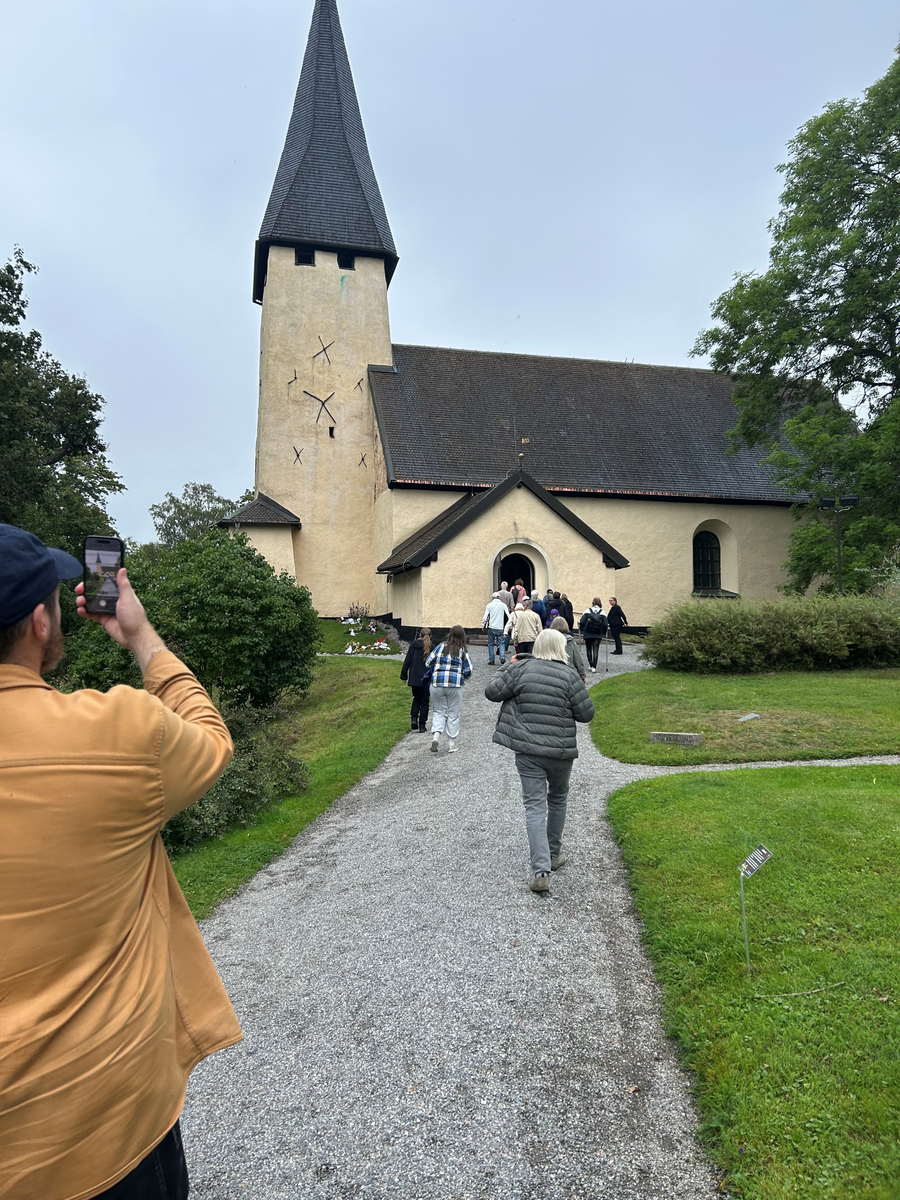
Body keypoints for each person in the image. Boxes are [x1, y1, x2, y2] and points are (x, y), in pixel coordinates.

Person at [0, 524, 241, 1200]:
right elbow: (212, 739)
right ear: (41, 621)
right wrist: (140, 636)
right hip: (104, 1126)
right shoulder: (119, 732)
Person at [485, 629, 594, 893]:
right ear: (561, 648)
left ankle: (541, 870)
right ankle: (554, 854)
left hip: (529, 751)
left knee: (534, 806)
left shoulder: (520, 669)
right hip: (560, 751)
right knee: (557, 799)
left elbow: (492, 691)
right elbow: (586, 714)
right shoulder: (569, 675)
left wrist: (508, 665)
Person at [425, 625, 472, 753]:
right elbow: (469, 669)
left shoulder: (440, 647)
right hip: (455, 685)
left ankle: (436, 736)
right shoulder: (462, 650)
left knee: (438, 711)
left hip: (437, 684)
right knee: (453, 713)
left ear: (450, 634)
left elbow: (428, 662)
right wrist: (463, 676)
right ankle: (451, 743)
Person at [400, 626, 432, 731]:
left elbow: (407, 661)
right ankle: (422, 725)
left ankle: (414, 719)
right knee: (425, 701)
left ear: (419, 635)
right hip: (426, 679)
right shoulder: (432, 647)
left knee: (416, 698)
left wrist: (404, 675)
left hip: (414, 677)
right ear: (430, 636)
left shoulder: (413, 646)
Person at [550, 615, 588, 680]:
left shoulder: (548, 640)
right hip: (567, 672)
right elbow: (577, 659)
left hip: (551, 673)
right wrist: (582, 675)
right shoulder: (570, 641)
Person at [579, 598, 608, 673]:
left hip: (588, 632)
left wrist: (582, 629)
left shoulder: (587, 611)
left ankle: (591, 665)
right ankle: (594, 667)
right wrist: (603, 632)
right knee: (595, 649)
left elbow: (582, 622)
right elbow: (605, 624)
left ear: (593, 603)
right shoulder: (602, 612)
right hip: (597, 633)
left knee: (588, 649)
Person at [482, 591, 510, 664]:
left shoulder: (489, 605)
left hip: (491, 627)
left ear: (492, 597)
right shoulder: (503, 605)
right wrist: (509, 625)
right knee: (502, 643)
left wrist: (483, 625)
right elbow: (508, 615)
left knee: (490, 644)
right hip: (500, 627)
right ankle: (502, 657)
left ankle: (491, 659)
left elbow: (485, 617)